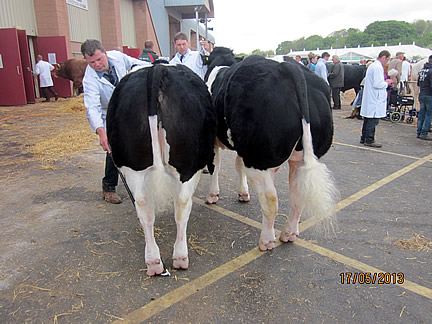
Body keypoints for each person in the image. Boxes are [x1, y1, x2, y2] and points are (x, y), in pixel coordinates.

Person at [81, 39, 148, 204]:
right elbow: (93, 108)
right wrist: (101, 132)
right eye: (91, 62)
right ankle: (108, 187)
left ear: (105, 53)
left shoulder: (117, 57)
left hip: (128, 107)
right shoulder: (89, 80)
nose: (97, 64)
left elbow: (135, 64)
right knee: (113, 147)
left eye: (99, 59)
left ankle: (138, 179)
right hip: (109, 114)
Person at [360, 50, 393, 148]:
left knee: (368, 118)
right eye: (387, 60)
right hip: (375, 97)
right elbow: (378, 84)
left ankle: (364, 137)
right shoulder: (377, 67)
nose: (387, 62)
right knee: (373, 119)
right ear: (384, 57)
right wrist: (387, 83)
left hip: (371, 97)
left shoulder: (373, 66)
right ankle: (369, 139)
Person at [416, 55, 432, 140]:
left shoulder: (422, 70)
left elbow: (418, 83)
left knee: (422, 113)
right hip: (429, 95)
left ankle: (419, 131)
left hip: (422, 93)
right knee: (429, 114)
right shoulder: (431, 71)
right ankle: (424, 132)